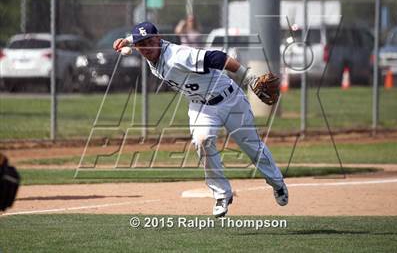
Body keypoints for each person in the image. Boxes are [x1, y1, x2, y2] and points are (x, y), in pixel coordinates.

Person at [113, 21, 288, 218]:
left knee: (252, 147)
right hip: (200, 105)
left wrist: (249, 79)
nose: (146, 47)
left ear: (159, 39)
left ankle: (277, 183)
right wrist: (125, 41)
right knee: (202, 140)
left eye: (149, 41)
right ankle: (222, 194)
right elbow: (139, 39)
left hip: (229, 99)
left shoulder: (178, 56)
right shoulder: (147, 51)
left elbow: (218, 57)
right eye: (141, 44)